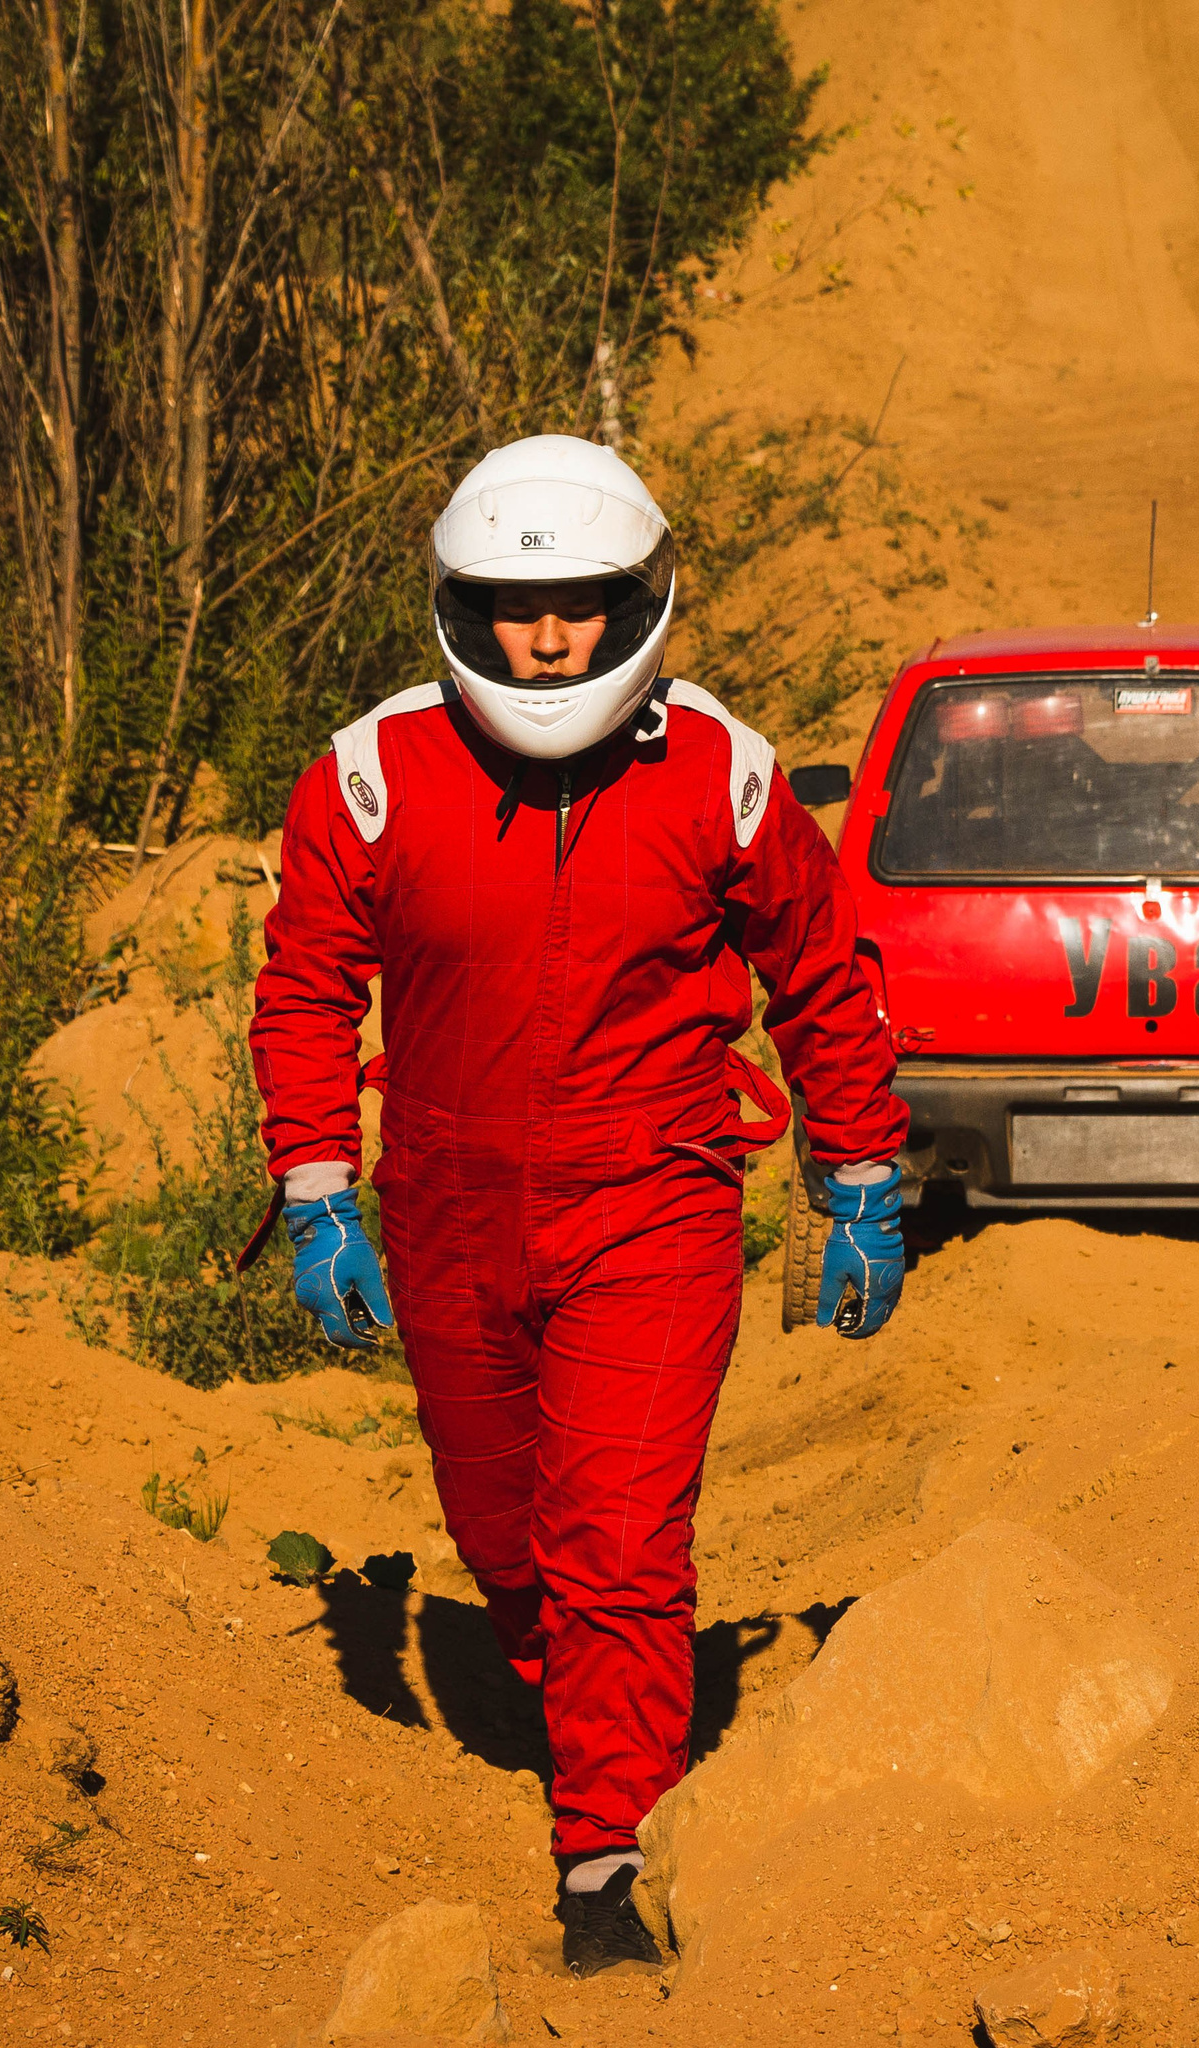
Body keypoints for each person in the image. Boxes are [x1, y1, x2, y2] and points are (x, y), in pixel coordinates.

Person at [248, 435, 909, 1975]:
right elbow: (303, 992)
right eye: (510, 610)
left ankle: (609, 1852)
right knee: (509, 1537)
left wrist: (862, 1171)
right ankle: (598, 1709)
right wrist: (314, 1185)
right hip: (443, 1207)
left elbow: (819, 975)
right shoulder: (369, 775)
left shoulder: (723, 774)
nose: (548, 642)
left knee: (616, 1537)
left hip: (652, 1202)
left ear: (641, 604)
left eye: (583, 608)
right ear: (460, 612)